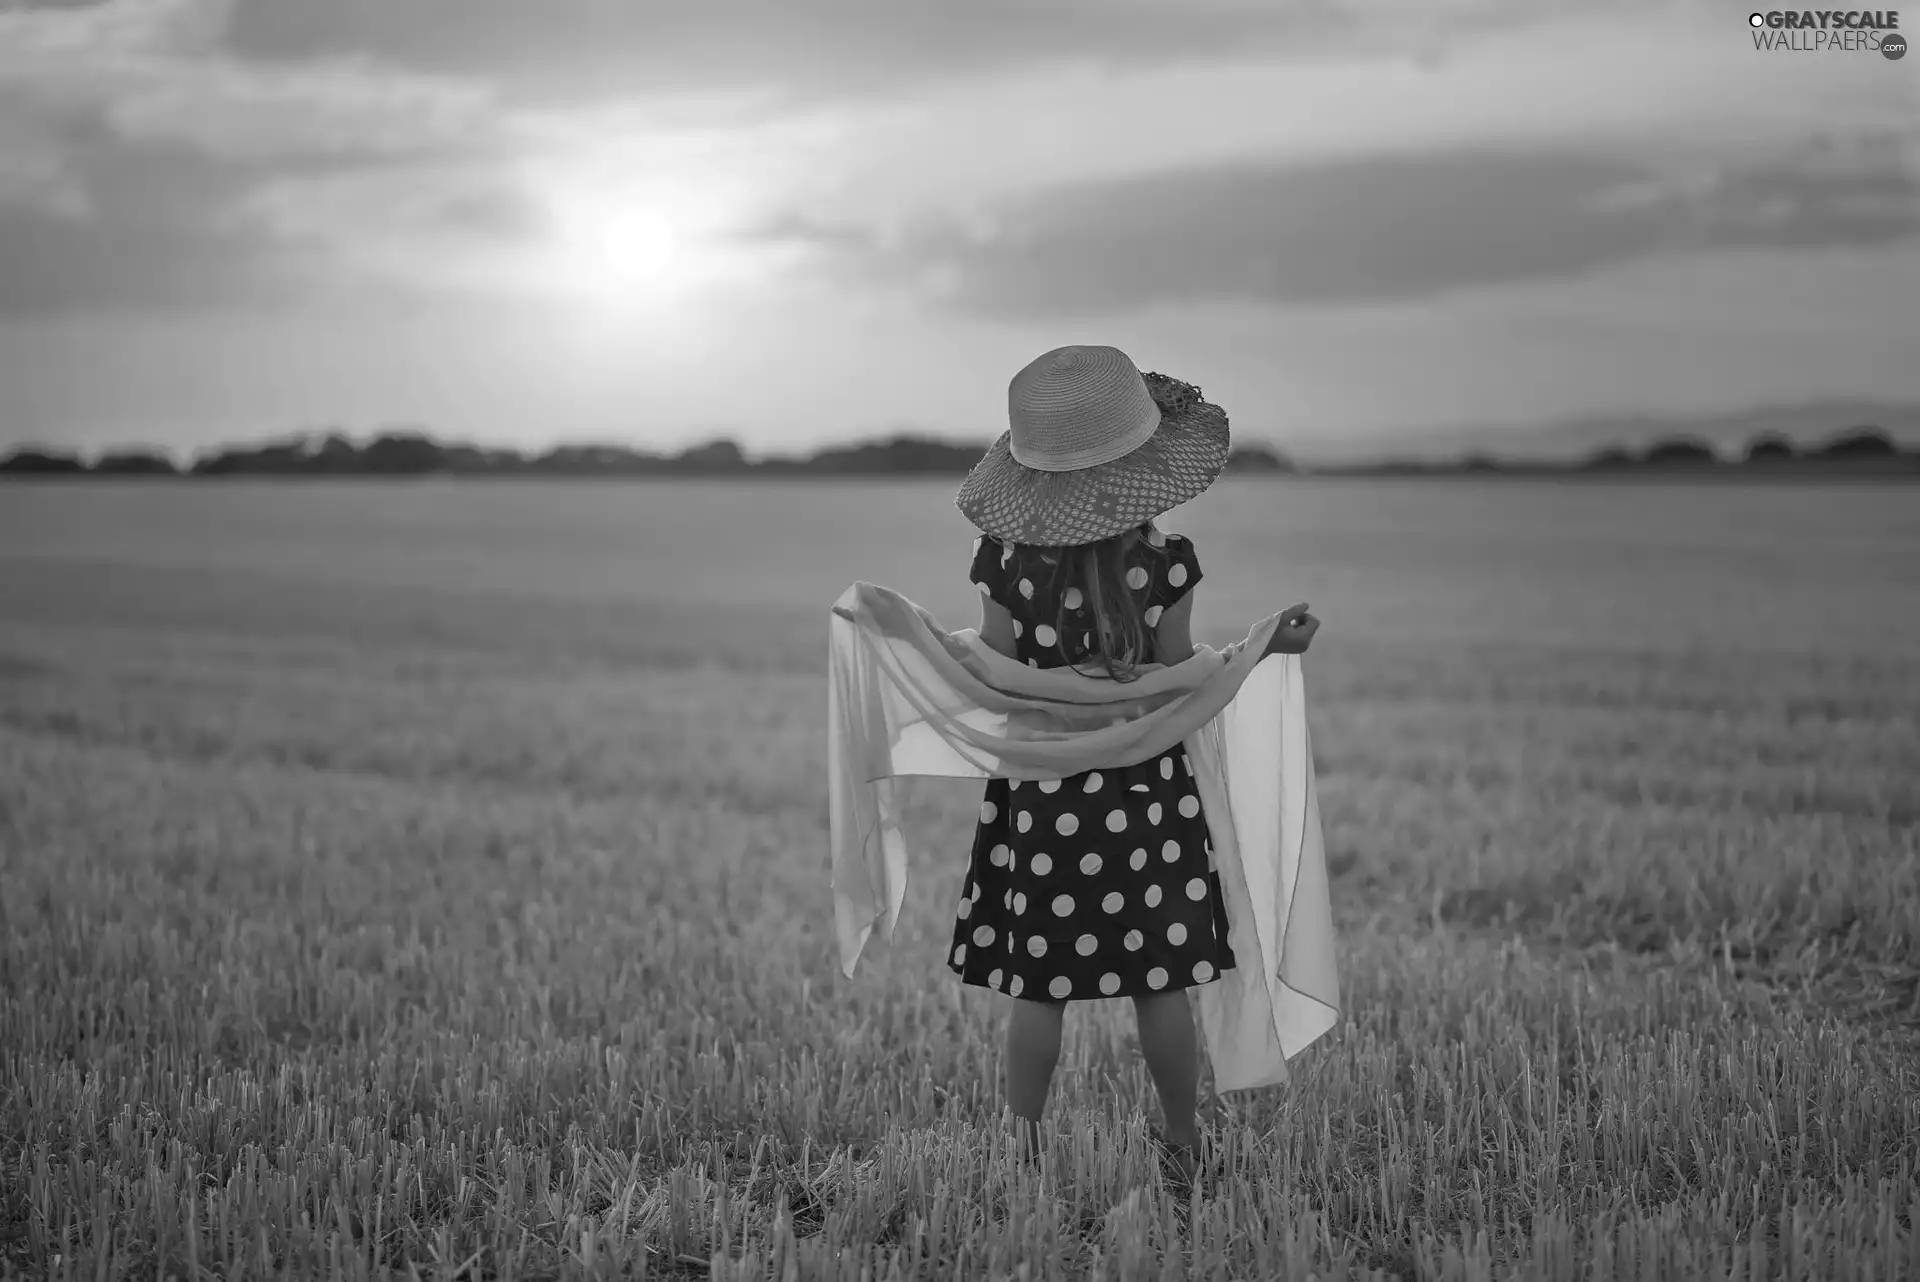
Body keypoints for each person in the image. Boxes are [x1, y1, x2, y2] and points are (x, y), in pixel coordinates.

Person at [948, 344, 1319, 1188]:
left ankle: (1023, 1149)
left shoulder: (1003, 562)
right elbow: (1179, 682)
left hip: (1041, 802)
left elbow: (1001, 672)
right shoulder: (1167, 563)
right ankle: (1182, 1141)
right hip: (1146, 799)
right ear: (1143, 468)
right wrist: (1263, 648)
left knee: (1037, 991)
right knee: (1163, 981)